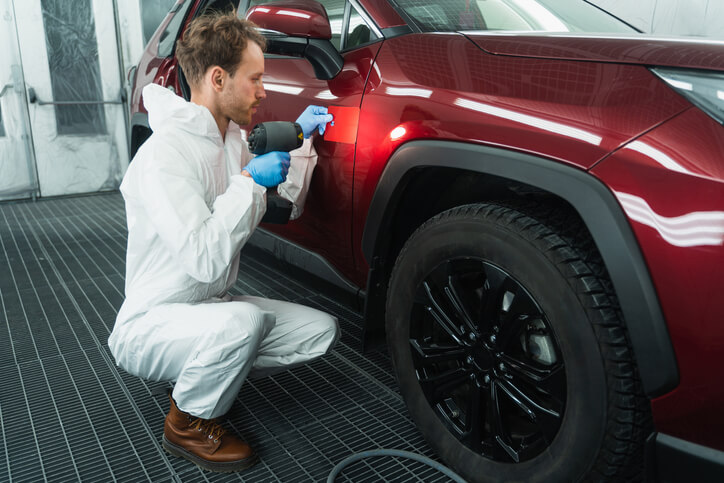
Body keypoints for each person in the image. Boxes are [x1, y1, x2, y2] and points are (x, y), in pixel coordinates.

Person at [108, 11, 339, 473]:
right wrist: (250, 184)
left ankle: (205, 370)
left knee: (320, 330)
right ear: (218, 78)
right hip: (150, 325)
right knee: (243, 323)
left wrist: (303, 141)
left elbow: (285, 205)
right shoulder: (164, 155)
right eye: (254, 79)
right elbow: (205, 259)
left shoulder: (230, 139)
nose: (263, 91)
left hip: (211, 306)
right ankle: (187, 423)